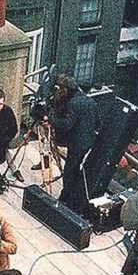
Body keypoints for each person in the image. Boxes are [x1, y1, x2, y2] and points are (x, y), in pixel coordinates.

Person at [49, 74, 98, 216]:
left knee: (69, 170)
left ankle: (66, 198)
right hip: (88, 142)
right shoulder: (90, 101)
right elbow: (97, 122)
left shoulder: (73, 104)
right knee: (76, 167)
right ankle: (73, 194)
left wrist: (51, 118)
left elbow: (67, 125)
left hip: (77, 144)